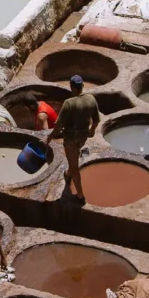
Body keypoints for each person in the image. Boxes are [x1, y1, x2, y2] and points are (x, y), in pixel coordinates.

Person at [46, 75, 99, 204]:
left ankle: (80, 195)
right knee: (72, 159)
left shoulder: (69, 103)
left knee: (75, 166)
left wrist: (49, 137)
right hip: (83, 137)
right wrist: (92, 130)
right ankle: (68, 173)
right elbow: (96, 119)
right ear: (82, 86)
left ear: (71, 87)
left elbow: (58, 126)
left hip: (71, 140)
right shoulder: (91, 99)